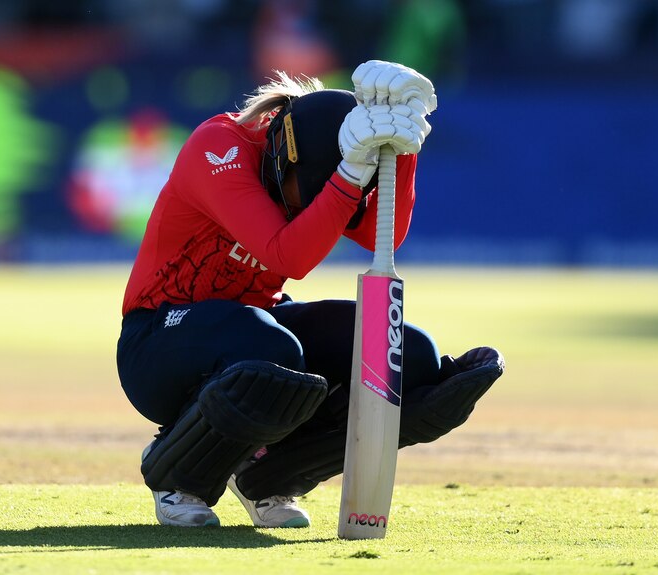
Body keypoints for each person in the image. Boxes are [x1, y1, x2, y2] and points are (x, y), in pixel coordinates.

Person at [116, 60, 505, 528]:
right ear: (284, 154)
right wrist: (345, 177)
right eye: (313, 189)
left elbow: (385, 235)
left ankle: (265, 476)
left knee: (403, 355)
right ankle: (177, 476)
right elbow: (288, 257)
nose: (314, 203)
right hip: (157, 340)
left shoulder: (320, 166)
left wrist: (401, 150)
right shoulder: (219, 146)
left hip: (254, 326)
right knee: (270, 349)